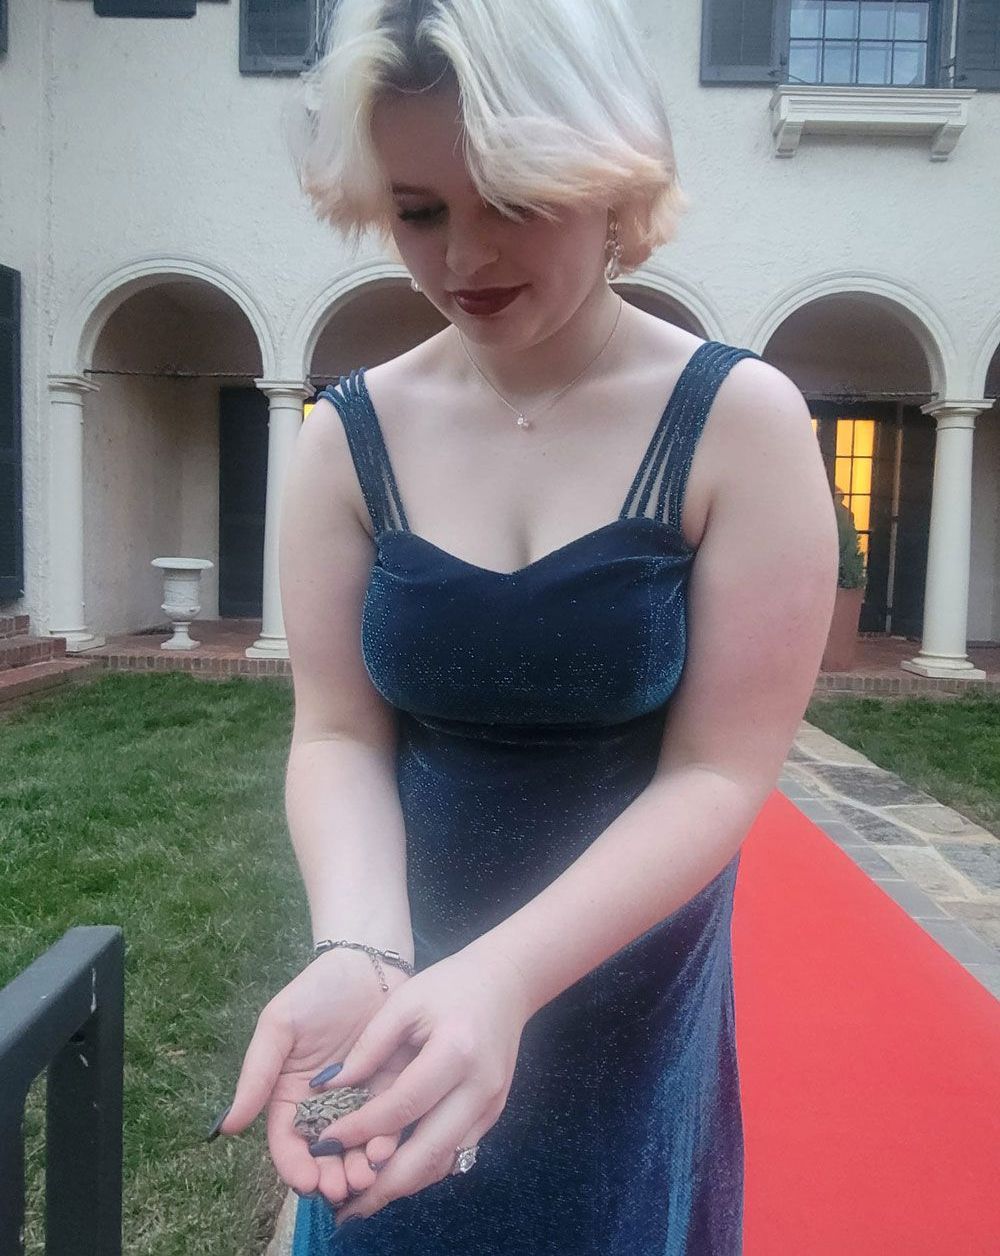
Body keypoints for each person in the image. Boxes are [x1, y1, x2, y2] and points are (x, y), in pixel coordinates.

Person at [209, 1, 838, 1251]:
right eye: (421, 208)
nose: (462, 258)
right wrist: (362, 947)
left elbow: (720, 768)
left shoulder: (738, 422)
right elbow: (335, 730)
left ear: (608, 180)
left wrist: (504, 977)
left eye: (512, 197)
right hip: (389, 997)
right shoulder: (345, 436)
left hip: (621, 999)